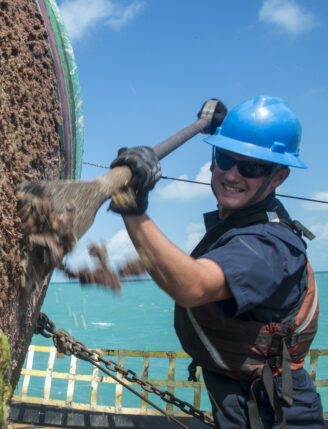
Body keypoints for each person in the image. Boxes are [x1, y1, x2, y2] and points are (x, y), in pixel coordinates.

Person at [109, 95, 324, 428]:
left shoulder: (269, 245)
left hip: (274, 415)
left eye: (252, 167)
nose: (233, 174)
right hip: (243, 405)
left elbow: (192, 286)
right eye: (225, 158)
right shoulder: (240, 226)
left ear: (279, 177)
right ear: (213, 159)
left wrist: (132, 209)